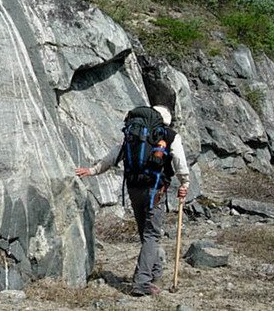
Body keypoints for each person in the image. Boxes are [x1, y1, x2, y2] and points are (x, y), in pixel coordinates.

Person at [75, 105, 190, 296]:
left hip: (133, 188)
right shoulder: (169, 135)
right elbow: (179, 162)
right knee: (151, 235)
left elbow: (113, 156)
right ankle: (142, 283)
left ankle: (154, 272)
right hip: (155, 190)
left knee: (146, 233)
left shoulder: (133, 134)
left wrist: (92, 171)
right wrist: (185, 183)